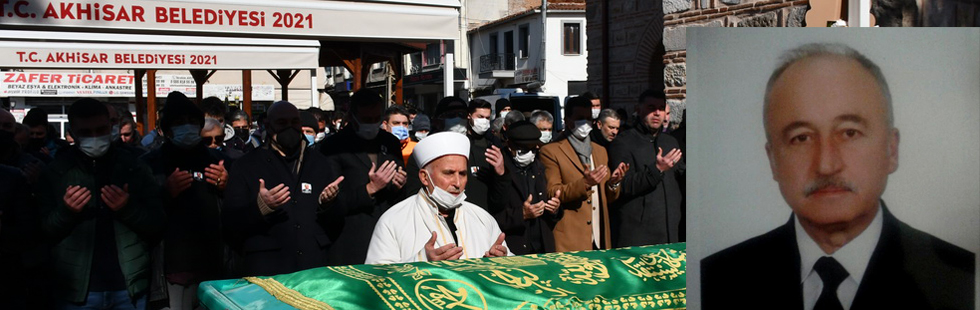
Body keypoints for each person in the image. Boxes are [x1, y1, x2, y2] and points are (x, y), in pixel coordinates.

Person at [700, 43, 975, 310]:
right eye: (801, 138)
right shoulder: (713, 281)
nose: (826, 165)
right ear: (773, 161)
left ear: (891, 150)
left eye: (849, 133)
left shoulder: (962, 280)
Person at [36, 98, 166, 310]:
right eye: (86, 132)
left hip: (128, 288)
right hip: (76, 291)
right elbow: (41, 233)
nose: (95, 137)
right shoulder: (55, 172)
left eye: (101, 129)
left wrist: (128, 209)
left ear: (111, 127)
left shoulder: (134, 167)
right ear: (73, 133)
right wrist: (66, 212)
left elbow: (157, 224)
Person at [222, 101, 344, 276]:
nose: (289, 128)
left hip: (312, 268)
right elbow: (230, 222)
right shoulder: (246, 165)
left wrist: (327, 204)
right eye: (282, 123)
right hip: (268, 269)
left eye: (294, 122)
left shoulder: (319, 162)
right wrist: (261, 208)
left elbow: (337, 222)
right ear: (268, 126)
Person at [139, 92, 229, 310]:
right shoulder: (149, 164)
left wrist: (226, 187)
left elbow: (234, 211)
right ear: (167, 129)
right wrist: (165, 192)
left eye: (191, 121)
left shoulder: (218, 161)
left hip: (213, 269)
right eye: (179, 123)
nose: (187, 127)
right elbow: (141, 217)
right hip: (171, 272)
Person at [365, 132, 511, 264]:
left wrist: (498, 264)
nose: (457, 183)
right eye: (449, 173)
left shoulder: (482, 219)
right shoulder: (393, 220)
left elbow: (511, 268)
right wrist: (422, 261)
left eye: (462, 174)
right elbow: (377, 280)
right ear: (424, 177)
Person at [319, 89, 407, 266]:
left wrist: (399, 184)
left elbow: (400, 191)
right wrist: (370, 189)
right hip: (351, 238)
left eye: (376, 119)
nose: (372, 124)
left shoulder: (390, 142)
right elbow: (331, 202)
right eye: (367, 119)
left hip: (388, 234)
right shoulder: (332, 146)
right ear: (353, 117)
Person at [539, 97, 627, 252]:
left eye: (588, 118)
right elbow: (553, 192)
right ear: (567, 120)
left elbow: (607, 198)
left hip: (599, 238)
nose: (585, 123)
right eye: (580, 119)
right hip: (571, 239)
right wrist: (585, 183)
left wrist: (614, 183)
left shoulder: (599, 150)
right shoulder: (551, 151)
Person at [608, 90, 684, 247]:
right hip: (639, 235)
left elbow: (680, 177)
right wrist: (656, 169)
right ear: (639, 109)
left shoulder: (671, 142)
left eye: (661, 108)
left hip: (670, 232)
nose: (657, 113)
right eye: (651, 107)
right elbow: (624, 186)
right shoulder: (623, 142)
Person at [491, 121, 562, 255]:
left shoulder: (538, 167)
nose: (530, 154)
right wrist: (522, 214)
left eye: (533, 150)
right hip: (514, 248)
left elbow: (547, 208)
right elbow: (492, 215)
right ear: (510, 146)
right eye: (524, 150)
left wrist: (554, 209)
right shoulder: (499, 170)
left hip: (542, 248)